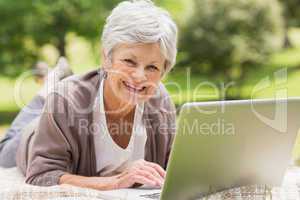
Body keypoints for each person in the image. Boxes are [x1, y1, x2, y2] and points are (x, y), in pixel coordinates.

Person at [1, 0, 178, 191]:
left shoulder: (160, 102)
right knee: (5, 149)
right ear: (106, 58)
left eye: (152, 67)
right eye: (129, 61)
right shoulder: (65, 100)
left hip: (66, 105)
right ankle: (45, 92)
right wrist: (117, 181)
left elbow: (174, 166)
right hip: (35, 134)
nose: (140, 76)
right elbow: (42, 175)